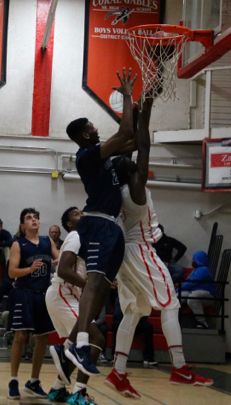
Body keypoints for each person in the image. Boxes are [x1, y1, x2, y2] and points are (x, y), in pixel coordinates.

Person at [106, 95, 212, 399]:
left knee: (135, 312)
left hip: (123, 254)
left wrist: (133, 112)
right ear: (129, 171)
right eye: (127, 161)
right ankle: (180, 367)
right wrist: (147, 112)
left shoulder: (114, 192)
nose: (131, 158)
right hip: (140, 250)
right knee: (171, 304)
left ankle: (119, 370)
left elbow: (130, 145)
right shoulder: (135, 190)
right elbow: (144, 147)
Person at [62, 69, 137, 376]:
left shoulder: (103, 157)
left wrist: (143, 107)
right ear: (84, 135)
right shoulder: (86, 156)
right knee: (94, 283)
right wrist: (128, 97)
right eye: (92, 127)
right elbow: (123, 134)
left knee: (104, 288)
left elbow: (133, 140)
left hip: (111, 225)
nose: (96, 130)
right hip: (97, 222)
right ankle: (80, 343)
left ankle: (69, 345)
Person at [46, 206, 104, 405]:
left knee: (77, 346)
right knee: (95, 338)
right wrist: (90, 285)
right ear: (69, 224)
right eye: (76, 214)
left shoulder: (86, 239)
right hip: (64, 292)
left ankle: (57, 389)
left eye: (82, 212)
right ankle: (79, 393)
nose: (82, 214)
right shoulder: (76, 235)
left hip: (72, 295)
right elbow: (63, 270)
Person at [6, 208, 58, 400]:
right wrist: (29, 268)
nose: (34, 220)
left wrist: (61, 260)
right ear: (23, 225)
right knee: (21, 337)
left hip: (44, 295)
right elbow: (11, 272)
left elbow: (59, 256)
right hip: (24, 294)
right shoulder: (18, 244)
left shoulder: (47, 241)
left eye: (36, 217)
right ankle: (13, 380)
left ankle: (34, 382)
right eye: (29, 218)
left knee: (42, 339)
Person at [179, 251, 216, 329]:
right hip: (194, 291)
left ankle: (202, 322)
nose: (192, 261)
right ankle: (176, 321)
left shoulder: (203, 270)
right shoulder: (196, 270)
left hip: (207, 294)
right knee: (177, 297)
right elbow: (188, 282)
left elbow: (190, 283)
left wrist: (178, 289)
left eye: (194, 259)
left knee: (192, 298)